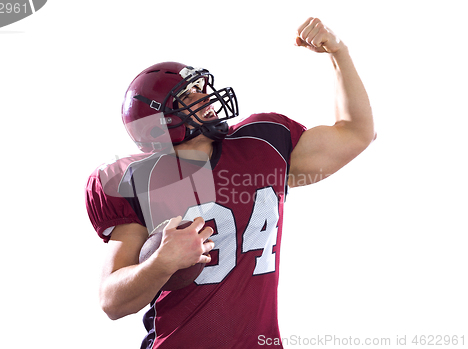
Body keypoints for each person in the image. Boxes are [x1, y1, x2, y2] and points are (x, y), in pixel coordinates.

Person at [85, 17, 375, 349]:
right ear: (159, 123)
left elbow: (356, 133)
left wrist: (339, 52)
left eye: (200, 89)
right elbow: (112, 300)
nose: (206, 99)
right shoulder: (137, 181)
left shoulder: (262, 145)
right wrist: (161, 263)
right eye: (190, 96)